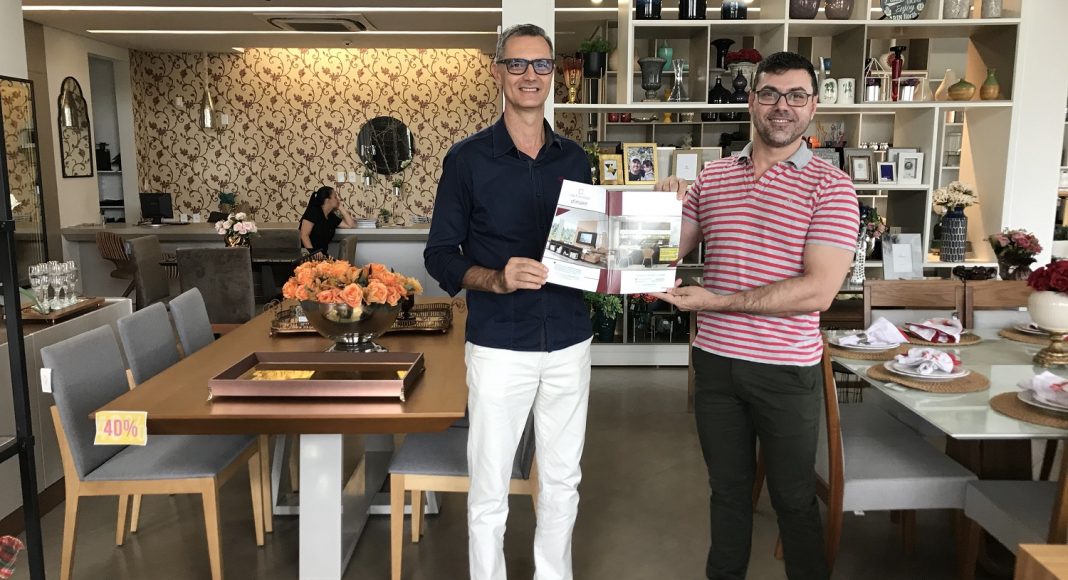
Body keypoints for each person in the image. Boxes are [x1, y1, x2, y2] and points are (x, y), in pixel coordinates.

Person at [653, 52, 859, 580]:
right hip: (717, 367)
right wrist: (659, 209)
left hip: (786, 370)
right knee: (727, 493)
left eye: (796, 96)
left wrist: (717, 302)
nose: (781, 106)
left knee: (793, 499)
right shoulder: (714, 177)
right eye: (770, 94)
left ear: (813, 106)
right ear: (751, 101)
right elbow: (661, 254)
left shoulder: (832, 187)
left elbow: (818, 292)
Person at [423, 23, 594, 580]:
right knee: (490, 485)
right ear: (497, 72)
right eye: (517, 64)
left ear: (553, 75)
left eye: (541, 64)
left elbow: (595, 247)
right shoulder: (467, 160)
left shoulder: (576, 160)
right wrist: (497, 278)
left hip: (569, 340)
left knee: (563, 481)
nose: (529, 75)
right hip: (499, 345)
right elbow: (439, 255)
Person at [298, 185, 355, 257]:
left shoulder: (331, 217)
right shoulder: (313, 212)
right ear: (327, 200)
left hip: (323, 256)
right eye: (335, 197)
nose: (338, 199)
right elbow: (304, 235)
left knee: (344, 263)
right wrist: (313, 252)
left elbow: (351, 225)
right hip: (308, 255)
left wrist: (341, 207)